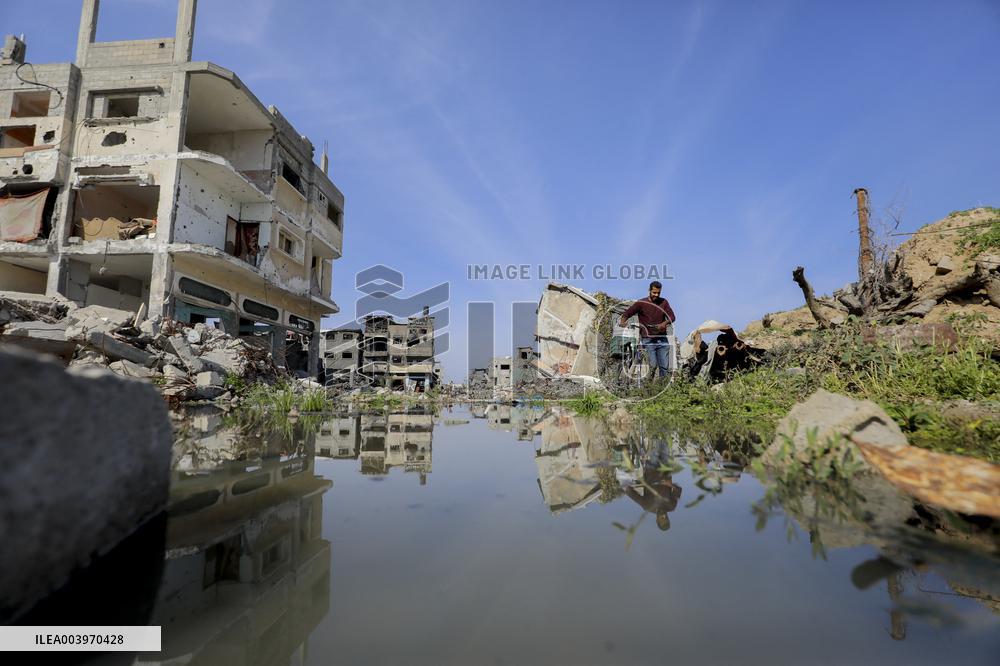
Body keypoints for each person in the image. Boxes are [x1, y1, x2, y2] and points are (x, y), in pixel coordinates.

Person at [619, 280, 676, 379]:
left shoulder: (664, 302)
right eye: (654, 292)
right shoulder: (641, 303)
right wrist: (623, 322)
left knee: (664, 367)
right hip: (648, 339)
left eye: (658, 293)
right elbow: (627, 313)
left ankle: (662, 388)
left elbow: (672, 317)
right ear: (649, 290)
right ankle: (649, 388)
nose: (656, 295)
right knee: (652, 365)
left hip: (662, 339)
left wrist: (664, 323)